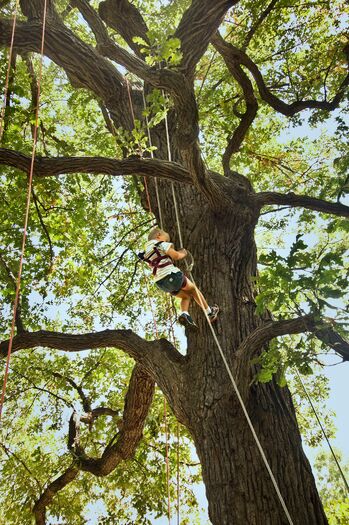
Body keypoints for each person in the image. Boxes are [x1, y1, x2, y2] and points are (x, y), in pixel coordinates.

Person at [140, 227, 219, 328]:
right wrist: (183, 253)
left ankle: (184, 314)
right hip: (171, 275)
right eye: (166, 239)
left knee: (186, 296)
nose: (167, 241)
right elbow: (176, 256)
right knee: (193, 289)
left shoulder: (146, 253)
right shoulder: (160, 244)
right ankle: (210, 312)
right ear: (158, 235)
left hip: (161, 283)